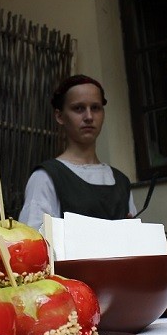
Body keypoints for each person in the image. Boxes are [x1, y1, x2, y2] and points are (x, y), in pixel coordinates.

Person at [19, 74, 137, 230]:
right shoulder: (46, 177)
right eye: (78, 108)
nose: (89, 117)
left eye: (95, 108)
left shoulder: (121, 182)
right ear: (60, 116)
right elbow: (33, 241)